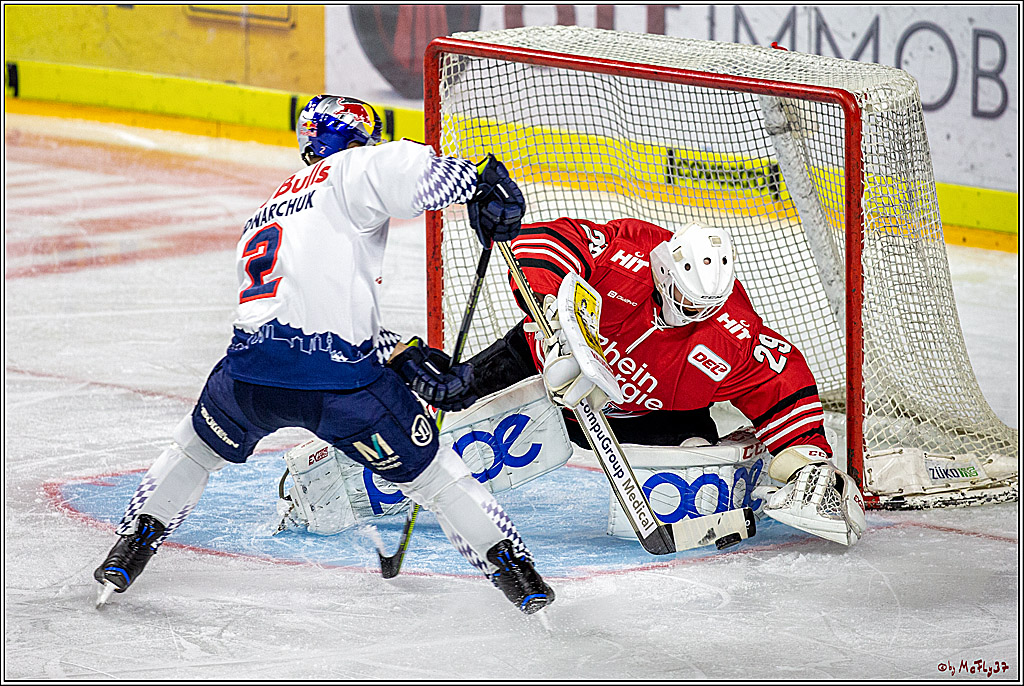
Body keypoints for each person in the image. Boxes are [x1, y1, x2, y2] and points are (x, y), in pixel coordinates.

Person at [94, 94, 554, 614]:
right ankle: (516, 573)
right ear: (355, 138)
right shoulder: (351, 168)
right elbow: (409, 169)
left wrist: (400, 354)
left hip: (247, 379)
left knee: (193, 451)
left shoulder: (268, 209)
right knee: (434, 476)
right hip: (341, 389)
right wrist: (479, 179)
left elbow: (310, 310)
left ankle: (130, 548)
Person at [467, 216, 865, 545]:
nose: (694, 313)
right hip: (543, 367)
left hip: (644, 418)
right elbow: (547, 240)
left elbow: (779, 377)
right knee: (451, 396)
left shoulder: (731, 333)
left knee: (701, 467)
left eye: (706, 306)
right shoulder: (627, 253)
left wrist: (808, 456)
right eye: (688, 300)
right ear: (663, 270)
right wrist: (550, 309)